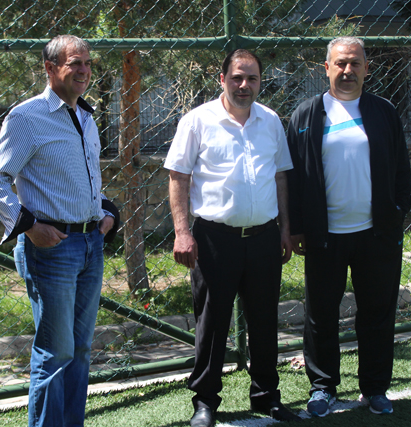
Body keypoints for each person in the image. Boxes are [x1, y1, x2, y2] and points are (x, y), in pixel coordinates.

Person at [0, 35, 120, 427]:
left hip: (91, 244)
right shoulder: (27, 117)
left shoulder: (86, 116)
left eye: (88, 63)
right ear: (50, 68)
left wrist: (107, 212)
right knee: (56, 353)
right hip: (52, 248)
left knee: (81, 350)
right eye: (75, 63)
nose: (84, 70)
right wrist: (28, 226)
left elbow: (81, 180)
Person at [165, 49, 300, 427]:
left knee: (264, 321)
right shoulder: (197, 121)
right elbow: (178, 175)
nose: (244, 85)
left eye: (252, 78)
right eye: (237, 77)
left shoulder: (270, 121)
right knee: (212, 324)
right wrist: (182, 232)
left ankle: (266, 396)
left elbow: (281, 176)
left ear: (260, 81)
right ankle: (205, 402)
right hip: (214, 240)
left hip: (264, 238)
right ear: (222, 79)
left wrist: (285, 229)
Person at [286, 36, 411, 417]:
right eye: (340, 63)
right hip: (324, 237)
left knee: (377, 314)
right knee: (321, 315)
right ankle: (323, 387)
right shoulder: (306, 115)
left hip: (377, 235)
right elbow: (292, 177)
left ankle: (374, 388)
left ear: (366, 69)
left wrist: (397, 211)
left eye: (355, 63)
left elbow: (401, 170)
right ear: (326, 68)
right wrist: (296, 226)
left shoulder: (384, 112)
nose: (347, 70)